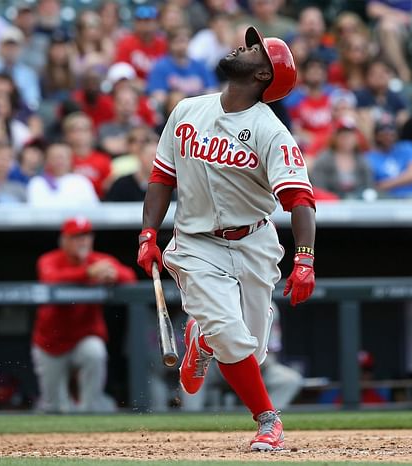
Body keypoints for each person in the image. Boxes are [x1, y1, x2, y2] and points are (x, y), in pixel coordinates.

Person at [137, 26, 316, 451]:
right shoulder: (186, 110)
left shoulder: (270, 131)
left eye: (256, 50)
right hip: (197, 242)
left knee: (251, 355)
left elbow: (300, 200)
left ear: (263, 77)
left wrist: (305, 259)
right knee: (232, 337)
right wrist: (148, 233)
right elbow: (162, 176)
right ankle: (268, 420)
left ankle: (203, 338)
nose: (244, 47)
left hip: (254, 240)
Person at [33, 216, 136, 413]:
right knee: (53, 407)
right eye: (76, 237)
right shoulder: (50, 259)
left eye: (86, 236)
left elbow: (129, 276)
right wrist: (88, 273)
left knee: (95, 352)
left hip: (84, 336)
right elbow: (50, 278)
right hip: (51, 342)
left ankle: (90, 411)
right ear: (64, 240)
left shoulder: (99, 261)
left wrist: (114, 275)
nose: (83, 241)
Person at [310, 117, 373, 199]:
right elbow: (318, 187)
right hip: (331, 205)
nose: (347, 139)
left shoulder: (362, 160)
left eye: (350, 136)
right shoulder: (323, 159)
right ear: (335, 137)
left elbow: (368, 186)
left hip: (358, 204)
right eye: (343, 136)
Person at [366, 113, 412, 198]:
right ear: (376, 136)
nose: (388, 137)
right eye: (383, 134)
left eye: (391, 133)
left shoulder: (407, 147)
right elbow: (372, 186)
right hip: (385, 199)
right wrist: (406, 178)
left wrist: (385, 184)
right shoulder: (369, 156)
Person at [27, 142, 98, 207]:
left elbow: (93, 208)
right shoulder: (37, 182)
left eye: (62, 157)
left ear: (70, 159)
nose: (59, 161)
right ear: (47, 160)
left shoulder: (81, 181)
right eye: (54, 157)